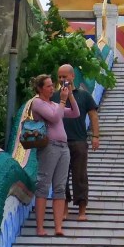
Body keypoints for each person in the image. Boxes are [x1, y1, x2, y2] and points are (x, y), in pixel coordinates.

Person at [26, 73, 79, 237]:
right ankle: (40, 227)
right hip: (49, 146)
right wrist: (63, 101)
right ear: (40, 88)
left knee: (60, 187)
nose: (52, 88)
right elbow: (55, 119)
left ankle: (58, 227)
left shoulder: (55, 104)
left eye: (52, 85)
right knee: (43, 185)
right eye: (48, 86)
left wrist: (69, 95)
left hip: (63, 147)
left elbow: (75, 113)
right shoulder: (37, 103)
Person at [53, 63, 99, 222]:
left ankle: (82, 209)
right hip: (58, 142)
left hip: (78, 140)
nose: (62, 79)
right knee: (61, 177)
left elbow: (93, 115)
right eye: (59, 76)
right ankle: (64, 208)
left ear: (72, 76)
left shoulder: (84, 95)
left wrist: (95, 136)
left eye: (64, 76)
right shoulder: (54, 96)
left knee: (79, 176)